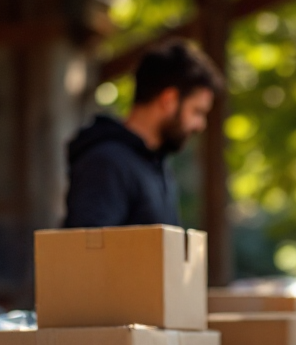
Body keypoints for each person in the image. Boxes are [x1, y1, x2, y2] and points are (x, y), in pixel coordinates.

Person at [63, 40, 223, 228]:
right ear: (169, 100)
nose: (200, 125)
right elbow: (84, 252)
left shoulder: (156, 166)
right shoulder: (106, 164)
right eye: (197, 111)